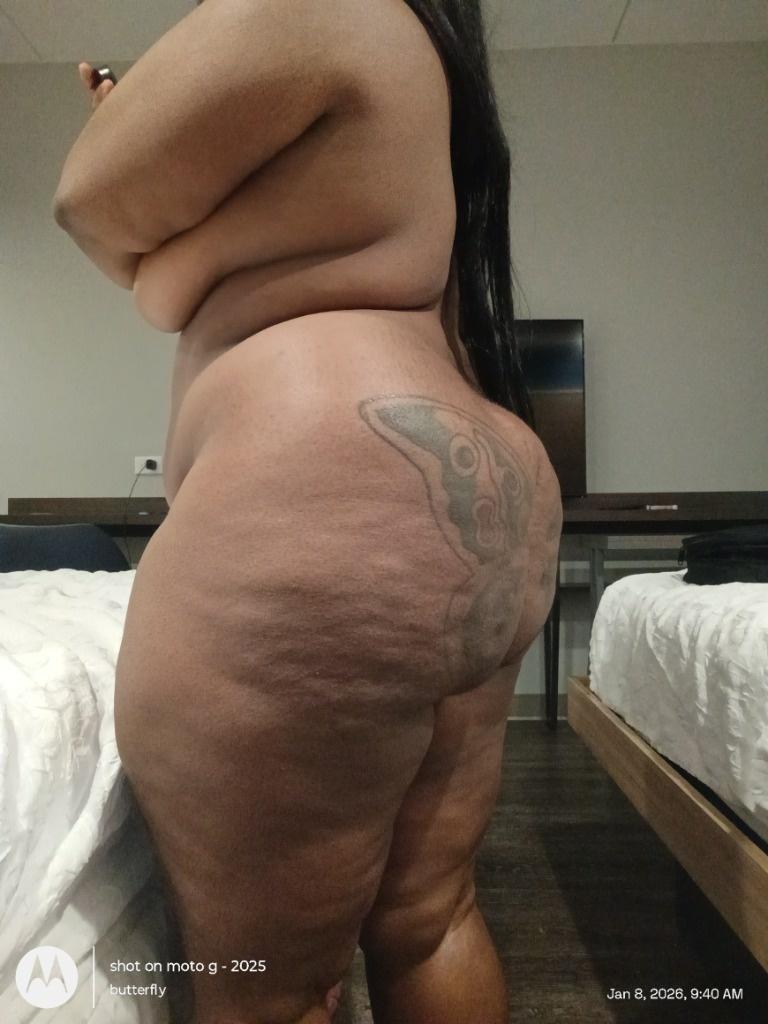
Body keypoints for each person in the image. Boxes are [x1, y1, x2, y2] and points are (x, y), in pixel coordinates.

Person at [54, 1, 562, 1021]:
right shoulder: (430, 69)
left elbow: (92, 207)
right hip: (489, 469)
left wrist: (169, 241)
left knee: (271, 990)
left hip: (329, 480)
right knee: (433, 916)